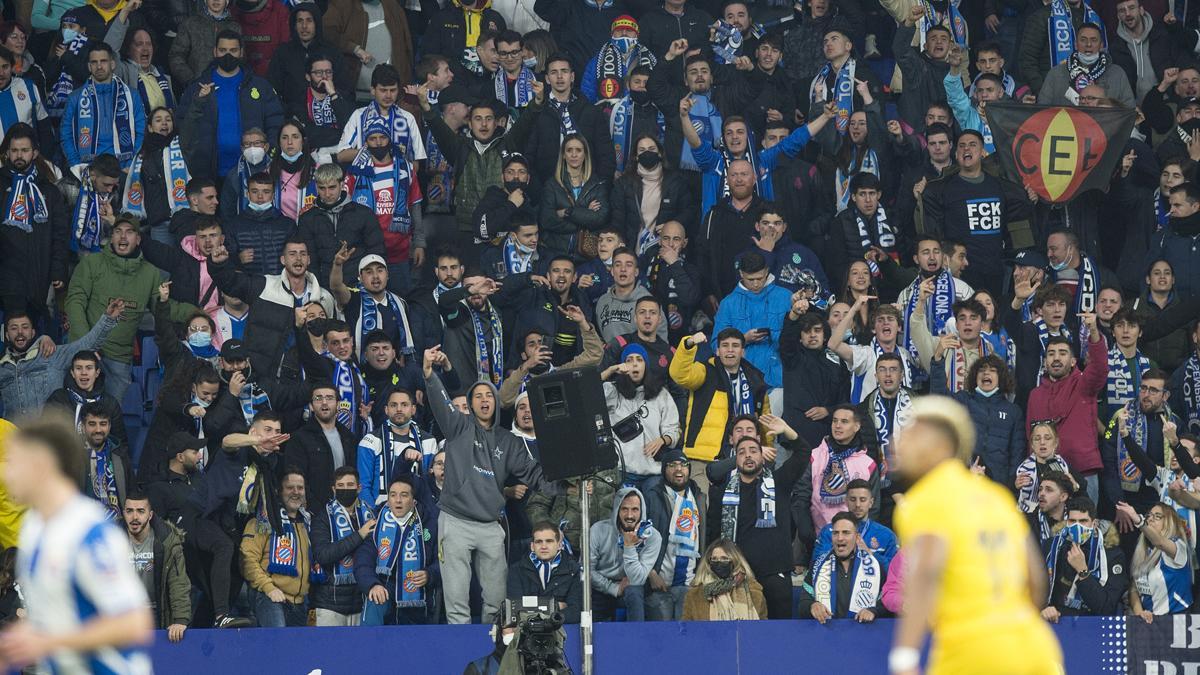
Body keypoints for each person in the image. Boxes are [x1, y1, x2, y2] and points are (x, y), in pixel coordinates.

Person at [889, 396, 1063, 675]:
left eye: (912, 433)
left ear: (942, 446)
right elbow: (1035, 579)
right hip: (1035, 649)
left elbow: (924, 576)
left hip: (971, 653)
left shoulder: (925, 500)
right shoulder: (995, 497)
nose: (898, 442)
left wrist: (904, 658)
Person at [1, 418, 153, 673]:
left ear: (41, 466)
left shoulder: (88, 531)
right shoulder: (34, 530)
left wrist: (49, 641)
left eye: (13, 463)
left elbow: (133, 624)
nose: (6, 473)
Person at [423, 346, 546, 624]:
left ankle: (493, 654)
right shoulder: (458, 426)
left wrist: (565, 488)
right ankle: (459, 656)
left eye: (488, 394)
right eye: (477, 396)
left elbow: (532, 473)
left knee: (496, 602)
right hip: (455, 521)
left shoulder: (508, 440)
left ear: (495, 401)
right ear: (471, 402)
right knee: (456, 601)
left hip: (491, 525)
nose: (483, 400)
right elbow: (441, 402)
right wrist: (430, 373)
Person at [67, 218, 190, 400]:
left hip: (119, 358)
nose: (123, 236)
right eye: (118, 231)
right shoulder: (92, 263)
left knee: (107, 419)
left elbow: (165, 307)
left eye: (129, 232)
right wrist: (86, 346)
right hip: (84, 356)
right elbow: (74, 302)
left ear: (138, 239)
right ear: (111, 236)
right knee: (76, 415)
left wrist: (197, 313)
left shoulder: (150, 273)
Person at [920, 129, 1034, 298]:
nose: (967, 149)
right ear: (956, 153)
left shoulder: (1002, 187)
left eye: (972, 145)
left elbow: (1018, 223)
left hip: (996, 273)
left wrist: (1031, 199)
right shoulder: (940, 190)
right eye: (962, 146)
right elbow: (934, 233)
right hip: (961, 273)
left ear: (982, 152)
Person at [207, 237, 337, 380]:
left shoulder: (324, 297)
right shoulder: (265, 286)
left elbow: (331, 335)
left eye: (303, 254)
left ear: (309, 259)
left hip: (308, 376)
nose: (298, 258)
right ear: (283, 260)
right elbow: (232, 283)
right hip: (267, 376)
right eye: (292, 254)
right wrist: (219, 265)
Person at [670, 328, 771, 496]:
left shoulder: (755, 380)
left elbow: (765, 421)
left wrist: (766, 449)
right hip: (704, 459)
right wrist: (688, 344)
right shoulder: (705, 371)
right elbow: (680, 374)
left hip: (745, 458)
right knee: (703, 511)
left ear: (743, 351)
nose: (730, 350)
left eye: (735, 346)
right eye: (725, 345)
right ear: (717, 350)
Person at [177, 30, 284, 181]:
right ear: (215, 51)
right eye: (223, 50)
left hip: (253, 171)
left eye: (233, 50)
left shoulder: (260, 86)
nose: (228, 55)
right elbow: (184, 125)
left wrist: (268, 153)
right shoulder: (198, 87)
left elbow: (275, 122)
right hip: (207, 174)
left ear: (241, 52)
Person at [1027, 312, 1109, 503]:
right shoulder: (1035, 395)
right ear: (1045, 363)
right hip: (1045, 477)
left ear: (1073, 361)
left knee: (1083, 529)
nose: (1056, 358)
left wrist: (1094, 331)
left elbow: (1100, 367)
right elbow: (1029, 437)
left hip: (1083, 471)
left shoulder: (1083, 385)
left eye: (1063, 353)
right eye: (1051, 354)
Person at [0, 300, 120, 421]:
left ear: (32, 333)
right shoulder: (2, 368)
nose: (20, 332)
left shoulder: (52, 354)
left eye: (25, 327)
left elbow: (88, 344)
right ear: (6, 335)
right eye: (14, 328)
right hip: (14, 437)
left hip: (51, 435)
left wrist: (108, 319)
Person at [343, 120, 426, 294]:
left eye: (382, 137)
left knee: (401, 302)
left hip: (399, 252)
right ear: (366, 142)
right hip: (365, 252)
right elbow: (346, 210)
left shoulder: (407, 169)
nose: (378, 142)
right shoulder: (355, 172)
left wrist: (419, 243)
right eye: (373, 138)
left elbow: (415, 207)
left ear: (390, 139)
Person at [0, 124, 68, 324]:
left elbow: (60, 235)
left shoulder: (49, 192)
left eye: (24, 150)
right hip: (5, 276)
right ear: (7, 153)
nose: (19, 155)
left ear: (35, 152)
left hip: (38, 276)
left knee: (35, 340)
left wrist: (58, 271)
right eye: (14, 150)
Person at [355, 475, 439, 625]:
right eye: (393, 495)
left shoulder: (429, 523)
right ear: (388, 500)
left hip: (418, 601)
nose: (398, 500)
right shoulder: (376, 524)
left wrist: (429, 574)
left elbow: (443, 562)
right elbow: (363, 561)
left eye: (404, 495)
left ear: (414, 501)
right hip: (385, 592)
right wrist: (372, 584)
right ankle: (368, 647)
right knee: (375, 601)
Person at [241, 467, 313, 627]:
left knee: (295, 651)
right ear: (279, 491)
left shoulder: (308, 522)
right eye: (290, 487)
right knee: (278, 647)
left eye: (300, 488)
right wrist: (268, 588)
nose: (296, 492)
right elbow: (247, 559)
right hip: (270, 597)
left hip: (301, 603)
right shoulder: (263, 520)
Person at [601, 343, 680, 491]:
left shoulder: (661, 394)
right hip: (621, 471)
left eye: (639, 359)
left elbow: (674, 430)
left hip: (653, 472)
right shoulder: (612, 391)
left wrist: (662, 440)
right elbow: (589, 391)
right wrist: (611, 370)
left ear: (646, 365)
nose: (634, 364)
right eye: (629, 360)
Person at [60, 42, 145, 176]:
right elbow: (66, 135)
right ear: (89, 66)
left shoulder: (132, 95)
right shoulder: (75, 98)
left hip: (125, 169)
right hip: (89, 170)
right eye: (94, 62)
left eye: (103, 61)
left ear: (112, 64)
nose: (99, 66)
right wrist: (77, 166)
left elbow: (142, 132)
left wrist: (131, 165)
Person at [710, 251, 791, 389]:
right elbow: (715, 345)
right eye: (751, 279)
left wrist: (774, 335)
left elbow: (797, 339)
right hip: (742, 382)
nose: (755, 284)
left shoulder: (786, 297)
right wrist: (743, 340)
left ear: (766, 271)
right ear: (741, 274)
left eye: (760, 278)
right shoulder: (728, 303)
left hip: (781, 380)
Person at [297, 164, 386, 290]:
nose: (327, 193)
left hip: (360, 286)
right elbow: (310, 260)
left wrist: (369, 284)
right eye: (322, 188)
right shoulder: (307, 219)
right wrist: (316, 289)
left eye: (332, 187)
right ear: (316, 187)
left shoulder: (363, 213)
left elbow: (376, 252)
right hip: (324, 288)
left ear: (342, 184)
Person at [308, 466, 376, 626]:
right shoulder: (323, 517)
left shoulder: (370, 515)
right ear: (333, 489)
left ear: (359, 488)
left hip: (362, 603)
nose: (345, 490)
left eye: (350, 485)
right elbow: (323, 555)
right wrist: (359, 535)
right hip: (330, 605)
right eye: (341, 486)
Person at [1042, 496, 1128, 621]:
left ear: (1094, 523)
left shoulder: (1113, 555)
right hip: (1057, 620)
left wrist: (1083, 571)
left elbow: (1106, 608)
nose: (1077, 526)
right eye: (1072, 521)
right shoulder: (1052, 547)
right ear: (1066, 522)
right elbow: (1036, 587)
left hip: (1093, 625)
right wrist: (1044, 608)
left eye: (1083, 521)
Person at [122, 491, 191, 643]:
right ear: (123, 513)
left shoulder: (167, 541)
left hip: (156, 612)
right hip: (123, 615)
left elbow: (178, 582)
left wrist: (180, 619)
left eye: (140, 511)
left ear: (150, 515)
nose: (134, 517)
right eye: (129, 511)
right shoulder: (111, 540)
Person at [589, 487, 660, 622]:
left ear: (642, 511)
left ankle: (637, 638)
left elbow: (638, 579)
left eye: (635, 509)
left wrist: (628, 546)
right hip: (600, 586)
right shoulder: (597, 530)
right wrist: (613, 588)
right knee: (586, 596)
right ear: (617, 510)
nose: (629, 515)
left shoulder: (653, 537)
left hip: (632, 586)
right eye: (624, 509)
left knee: (634, 592)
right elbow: (586, 571)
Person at [798, 511, 884, 622]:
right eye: (835, 533)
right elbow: (803, 603)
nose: (840, 538)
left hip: (863, 633)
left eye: (846, 533)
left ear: (857, 537)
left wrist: (873, 611)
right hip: (826, 634)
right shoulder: (817, 565)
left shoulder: (875, 566)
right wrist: (812, 606)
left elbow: (886, 604)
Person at [283, 384, 359, 507]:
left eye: (329, 398)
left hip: (346, 509)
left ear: (338, 404)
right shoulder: (299, 438)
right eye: (318, 398)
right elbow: (295, 478)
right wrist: (315, 510)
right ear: (311, 406)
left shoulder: (349, 437)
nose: (324, 402)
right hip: (315, 512)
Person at [323, 0, 415, 100]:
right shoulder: (342, 5)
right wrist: (354, 49)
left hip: (390, 97)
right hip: (354, 94)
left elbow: (406, 47)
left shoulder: (392, 6)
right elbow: (328, 33)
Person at [539, 133, 611, 258]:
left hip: (586, 256)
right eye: (569, 150)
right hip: (556, 254)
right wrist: (585, 214)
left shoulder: (598, 184)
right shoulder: (552, 184)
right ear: (563, 155)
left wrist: (567, 212)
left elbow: (600, 219)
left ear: (585, 154)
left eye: (578, 150)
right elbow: (547, 220)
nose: (574, 155)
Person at [1120, 500, 1194, 619]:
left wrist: (1139, 521)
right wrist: (1140, 613)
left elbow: (1160, 542)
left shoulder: (1178, 547)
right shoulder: (1143, 552)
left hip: (1176, 623)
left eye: (1158, 516)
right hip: (1148, 622)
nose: (1150, 519)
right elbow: (1134, 590)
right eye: (1148, 516)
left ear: (1170, 523)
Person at [1037, 23, 1135, 109]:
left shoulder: (1117, 74)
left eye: (1093, 40)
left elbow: (1129, 112)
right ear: (1075, 44)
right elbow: (1042, 111)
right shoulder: (1056, 74)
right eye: (1083, 40)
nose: (1088, 44)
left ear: (1101, 46)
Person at [810, 479, 897, 575]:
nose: (858, 505)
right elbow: (815, 565)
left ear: (871, 502)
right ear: (846, 501)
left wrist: (869, 554)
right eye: (853, 499)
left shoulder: (886, 535)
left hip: (873, 588)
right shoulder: (829, 531)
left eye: (863, 500)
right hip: (837, 588)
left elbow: (894, 572)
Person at [43, 350, 129, 446]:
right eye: (79, 368)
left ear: (97, 372)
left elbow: (120, 444)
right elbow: (44, 437)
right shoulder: (58, 399)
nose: (84, 372)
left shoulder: (110, 403)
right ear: (72, 373)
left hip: (100, 458)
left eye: (89, 368)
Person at [506, 521, 584, 624]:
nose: (544, 546)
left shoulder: (574, 570)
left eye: (549, 541)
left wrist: (536, 611)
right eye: (539, 542)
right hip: (527, 631)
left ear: (559, 545)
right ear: (532, 546)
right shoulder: (517, 570)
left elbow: (576, 612)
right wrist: (556, 606)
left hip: (563, 630)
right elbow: (516, 609)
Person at [680, 538, 766, 621]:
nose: (719, 562)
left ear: (735, 560)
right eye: (714, 559)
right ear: (708, 562)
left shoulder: (753, 592)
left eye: (724, 558)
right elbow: (686, 629)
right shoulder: (695, 595)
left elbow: (762, 629)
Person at [169, 0, 240, 86]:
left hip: (228, 86)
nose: (216, 0)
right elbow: (176, 55)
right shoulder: (190, 24)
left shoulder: (235, 27)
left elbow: (241, 59)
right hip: (197, 87)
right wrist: (191, 80)